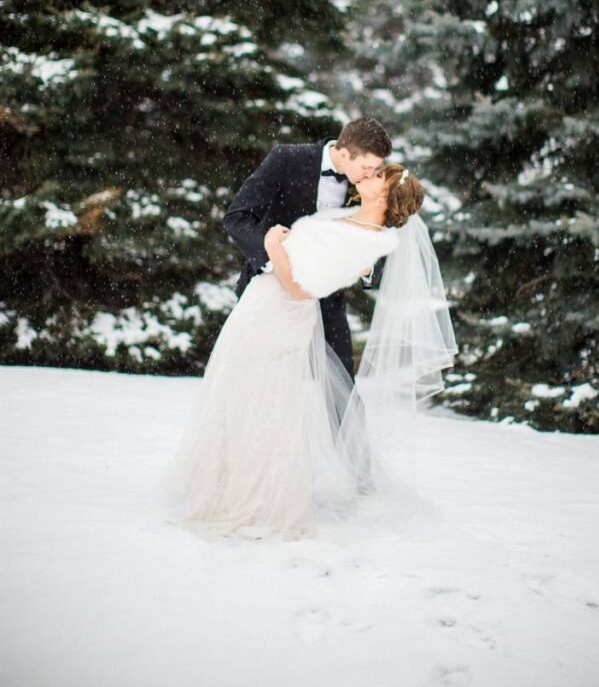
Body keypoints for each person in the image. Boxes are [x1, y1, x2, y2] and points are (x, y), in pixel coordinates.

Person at [160, 163, 456, 542]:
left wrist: (269, 245)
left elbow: (303, 288)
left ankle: (264, 504)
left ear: (384, 194)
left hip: (281, 316)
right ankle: (225, 491)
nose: (366, 174)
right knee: (238, 399)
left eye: (376, 175)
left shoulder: (372, 241)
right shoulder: (348, 215)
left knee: (268, 408)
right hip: (261, 305)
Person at [221, 117, 393, 381]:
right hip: (273, 297)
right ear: (345, 154)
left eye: (376, 168)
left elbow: (375, 233)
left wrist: (367, 268)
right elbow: (237, 216)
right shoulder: (287, 159)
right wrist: (275, 261)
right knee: (263, 388)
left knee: (340, 398)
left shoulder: (366, 186)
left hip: (329, 307)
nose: (372, 175)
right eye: (366, 167)